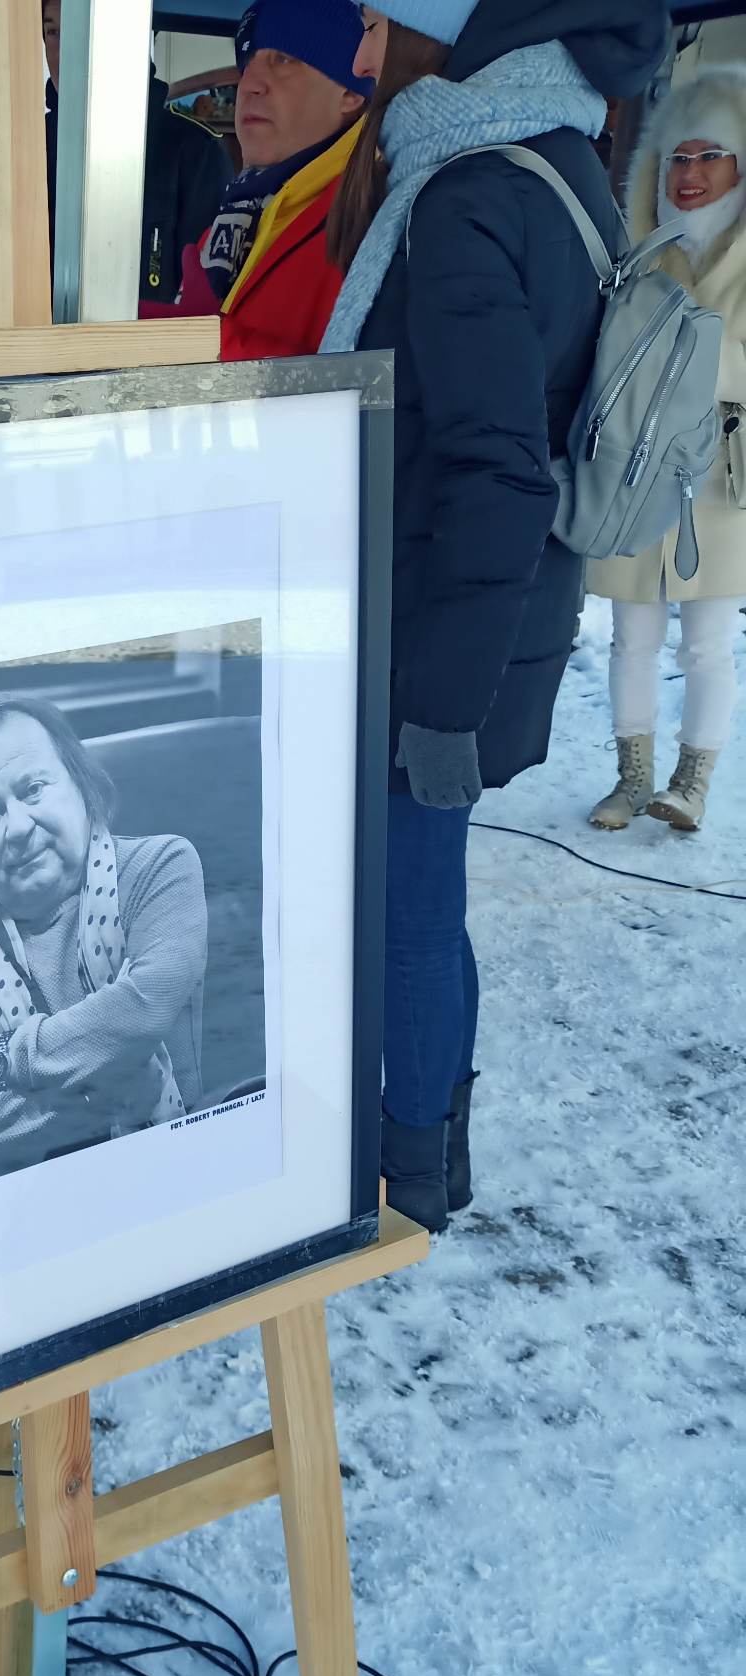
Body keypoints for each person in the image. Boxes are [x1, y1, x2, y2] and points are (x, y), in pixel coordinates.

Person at [319, 0, 667, 1231]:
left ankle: (408, 1174)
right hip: (493, 622)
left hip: (436, 642)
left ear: (444, 33)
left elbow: (498, 469)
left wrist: (441, 704)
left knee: (408, 911)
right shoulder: (563, 162)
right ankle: (433, 1151)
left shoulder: (469, 190)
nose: (362, 52)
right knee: (428, 901)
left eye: (377, 24)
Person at [0, 697, 208, 1196]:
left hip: (170, 1184)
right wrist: (81, 1114)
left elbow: (142, 1007)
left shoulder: (160, 868)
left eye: (33, 789)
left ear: (81, 787)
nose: (18, 827)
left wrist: (5, 1057)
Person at [588, 67, 746, 835]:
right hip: (635, 470)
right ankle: (632, 779)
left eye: (710, 154)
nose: (691, 173)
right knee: (632, 637)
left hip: (721, 474)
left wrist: (690, 357)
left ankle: (692, 782)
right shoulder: (639, 250)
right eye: (679, 157)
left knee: (710, 642)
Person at [170, 0, 372, 360]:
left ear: (351, 91)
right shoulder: (227, 227)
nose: (249, 84)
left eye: (283, 59)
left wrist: (196, 342)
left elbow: (376, 383)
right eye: (246, 63)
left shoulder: (370, 223)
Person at [40, 0, 228, 313]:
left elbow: (205, 310)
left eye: (84, 31)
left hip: (150, 344)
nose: (66, 52)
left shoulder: (196, 153)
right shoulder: (28, 147)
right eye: (54, 32)